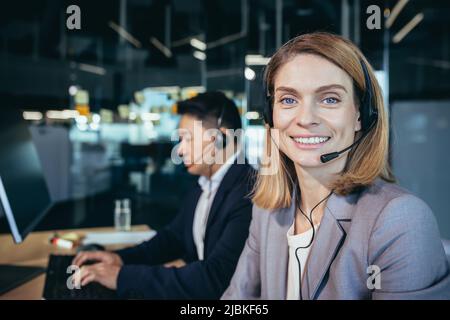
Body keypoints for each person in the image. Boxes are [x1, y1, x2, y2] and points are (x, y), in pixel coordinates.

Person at [222, 32, 450, 300]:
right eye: (288, 100)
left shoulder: (399, 220)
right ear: (270, 115)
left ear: (360, 116)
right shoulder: (268, 213)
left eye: (330, 99)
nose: (306, 118)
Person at [73, 91, 255, 299]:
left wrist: (123, 277)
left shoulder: (248, 193)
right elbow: (172, 238)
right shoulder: (203, 185)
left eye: (188, 139)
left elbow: (214, 278)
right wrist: (118, 259)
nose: (179, 151)